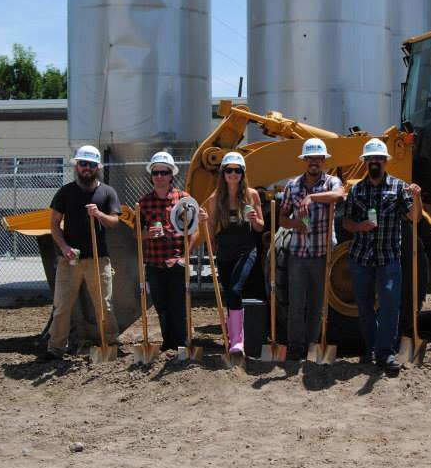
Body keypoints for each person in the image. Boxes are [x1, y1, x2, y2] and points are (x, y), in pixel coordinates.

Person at [343, 138, 421, 375]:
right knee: (364, 304)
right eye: (370, 159)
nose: (374, 162)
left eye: (378, 159)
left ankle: (385, 352)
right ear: (365, 162)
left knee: (389, 304)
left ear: (385, 162)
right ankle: (372, 347)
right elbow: (346, 221)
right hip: (361, 256)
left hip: (388, 256)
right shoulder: (357, 189)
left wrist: (417, 196)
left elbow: (414, 218)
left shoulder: (399, 187)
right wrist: (359, 226)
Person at [39, 145, 121, 362]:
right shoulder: (65, 192)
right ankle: (55, 348)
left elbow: (115, 222)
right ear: (77, 166)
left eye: (91, 165)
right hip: (70, 260)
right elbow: (54, 225)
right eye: (83, 164)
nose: (87, 168)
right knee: (62, 304)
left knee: (104, 304)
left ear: (97, 168)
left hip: (98, 258)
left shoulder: (107, 192)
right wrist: (64, 248)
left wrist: (99, 214)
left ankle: (110, 343)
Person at [278, 138, 345, 361]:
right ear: (305, 160)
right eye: (311, 158)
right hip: (298, 252)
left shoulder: (331, 183)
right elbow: (281, 218)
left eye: (318, 158)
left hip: (321, 253)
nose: (314, 162)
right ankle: (295, 348)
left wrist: (311, 197)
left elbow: (339, 196)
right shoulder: (292, 185)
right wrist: (295, 224)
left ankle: (311, 346)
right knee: (296, 304)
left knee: (317, 305)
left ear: (324, 160)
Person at [137, 151, 205, 352]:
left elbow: (195, 231)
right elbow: (137, 234)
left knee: (180, 307)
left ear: (171, 175)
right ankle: (168, 343)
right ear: (151, 176)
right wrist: (148, 234)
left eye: (163, 172)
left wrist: (185, 258)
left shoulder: (184, 199)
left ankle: (183, 344)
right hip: (154, 263)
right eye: (156, 173)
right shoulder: (144, 202)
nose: (159, 176)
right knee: (162, 307)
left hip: (177, 262)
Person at [202, 151, 264, 357]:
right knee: (229, 294)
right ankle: (232, 338)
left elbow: (260, 227)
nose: (233, 174)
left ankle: (238, 341)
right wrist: (209, 237)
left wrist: (255, 219)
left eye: (237, 170)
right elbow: (210, 228)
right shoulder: (215, 198)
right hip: (225, 253)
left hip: (246, 251)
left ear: (243, 173)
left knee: (236, 289)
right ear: (223, 173)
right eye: (229, 170)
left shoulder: (251, 195)